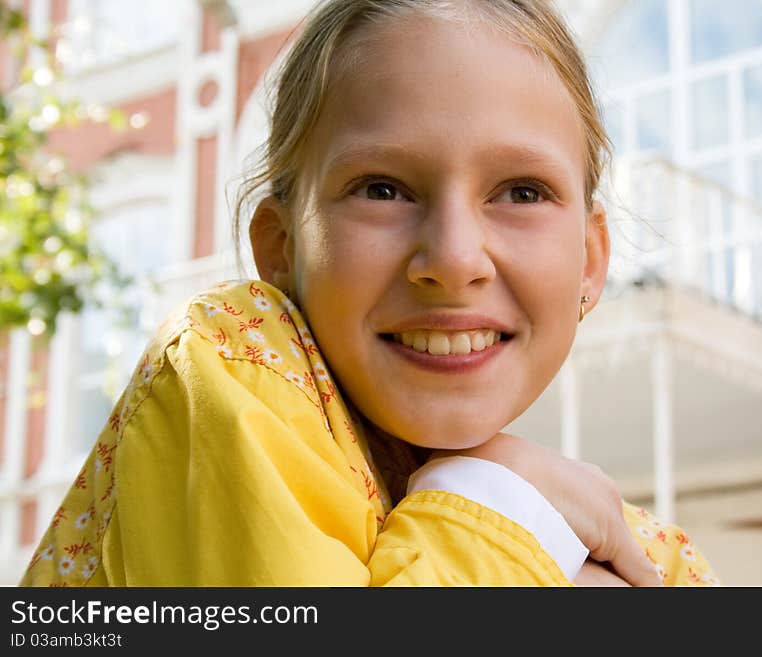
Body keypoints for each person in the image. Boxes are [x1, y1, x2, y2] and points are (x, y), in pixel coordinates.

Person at [21, 0, 719, 587]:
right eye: (382, 189)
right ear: (281, 246)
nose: (453, 258)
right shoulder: (226, 362)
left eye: (522, 192)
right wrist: (497, 504)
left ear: (590, 261)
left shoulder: (633, 545)